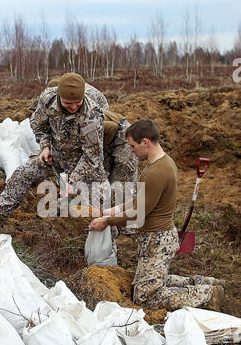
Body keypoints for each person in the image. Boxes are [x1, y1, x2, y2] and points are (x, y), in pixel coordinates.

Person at [89, 119, 225, 312]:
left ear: (145, 142)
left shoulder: (157, 172)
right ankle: (206, 283)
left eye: (133, 146)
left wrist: (107, 221)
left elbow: (138, 213)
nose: (131, 151)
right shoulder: (158, 163)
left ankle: (208, 295)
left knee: (146, 297)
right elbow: (141, 200)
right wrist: (115, 210)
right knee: (148, 282)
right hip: (157, 236)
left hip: (157, 239)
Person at [0, 73, 137, 222]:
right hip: (57, 153)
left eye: (77, 103)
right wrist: (45, 147)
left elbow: (91, 157)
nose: (73, 107)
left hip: (84, 160)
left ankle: (112, 232)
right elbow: (38, 125)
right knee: (22, 173)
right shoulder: (47, 99)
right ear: (59, 96)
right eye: (68, 103)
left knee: (98, 198)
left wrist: (73, 180)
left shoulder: (92, 115)